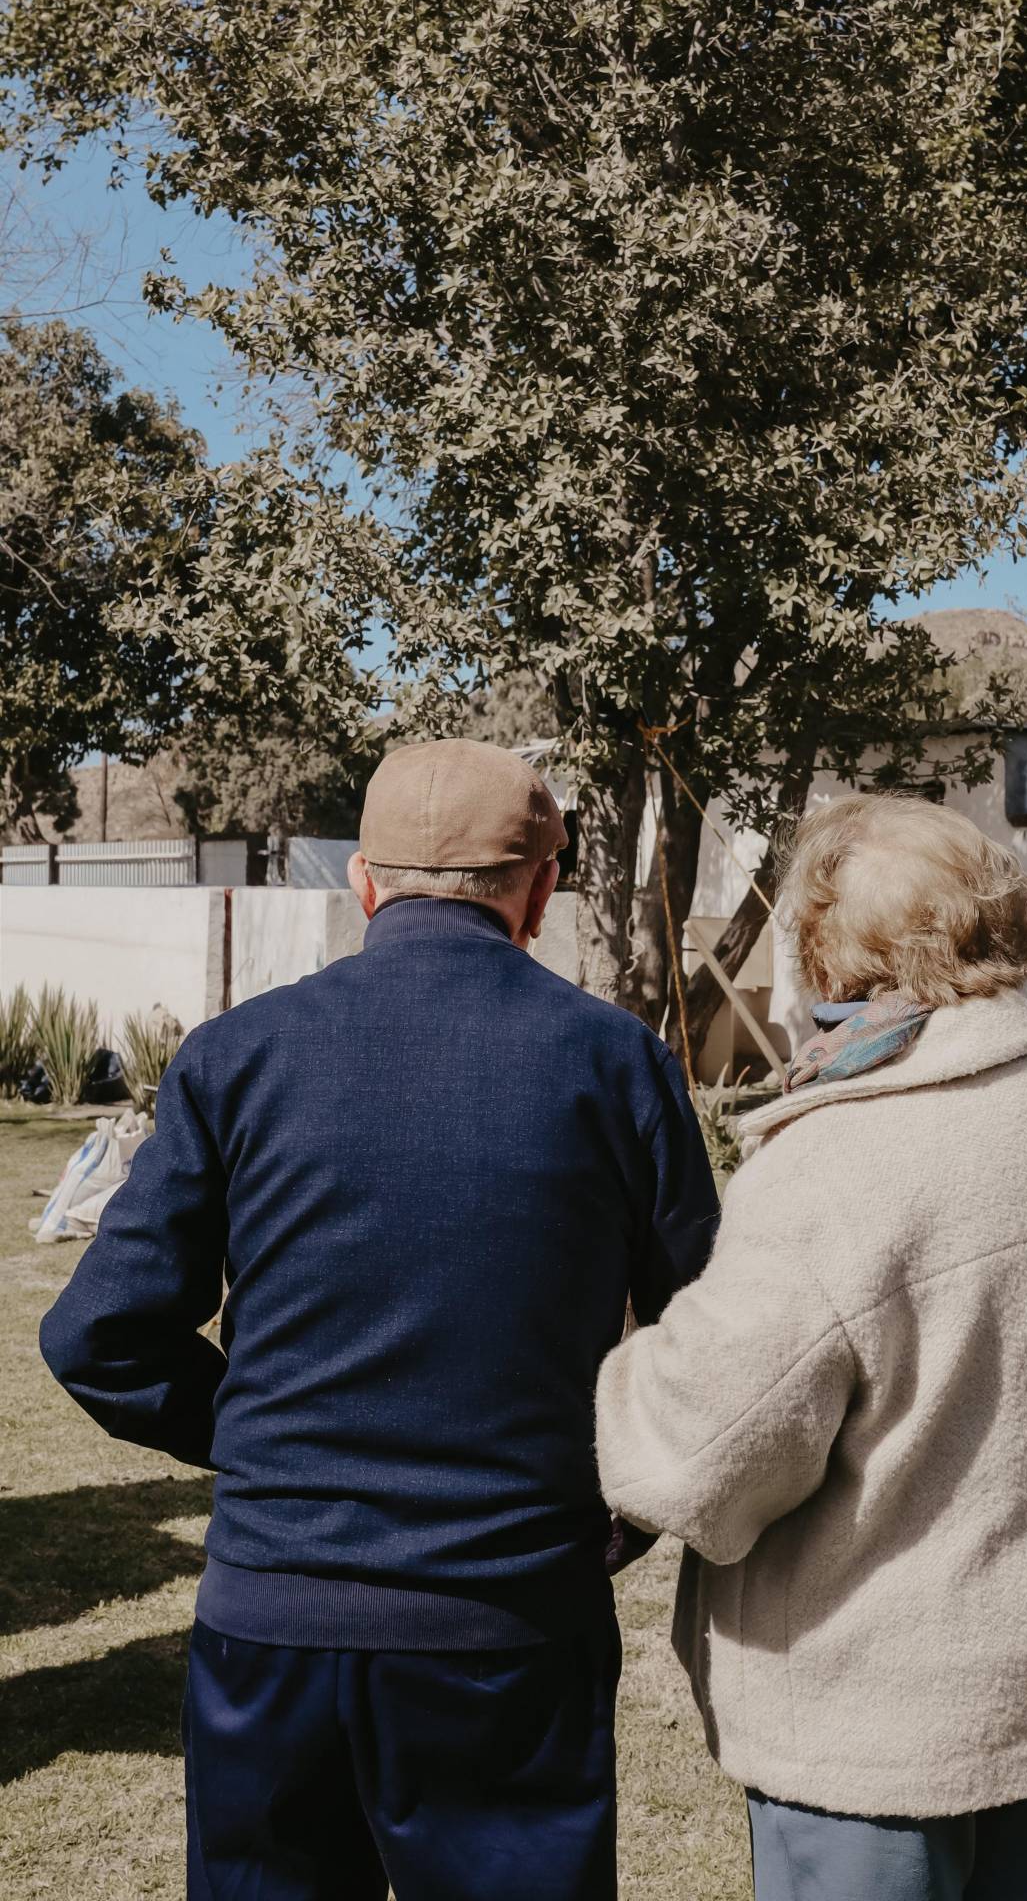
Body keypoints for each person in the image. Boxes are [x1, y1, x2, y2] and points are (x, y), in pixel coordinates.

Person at [41, 737, 719, 1901]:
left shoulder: (235, 1057)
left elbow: (95, 1334)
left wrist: (250, 1436)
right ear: (540, 890)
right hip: (507, 1624)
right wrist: (624, 1496)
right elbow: (709, 1340)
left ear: (362, 882)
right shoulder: (613, 1061)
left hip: (272, 1625)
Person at [597, 792, 1027, 1901]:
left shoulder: (842, 1162)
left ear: (834, 957)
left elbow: (693, 1452)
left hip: (879, 1720)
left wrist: (620, 1375)